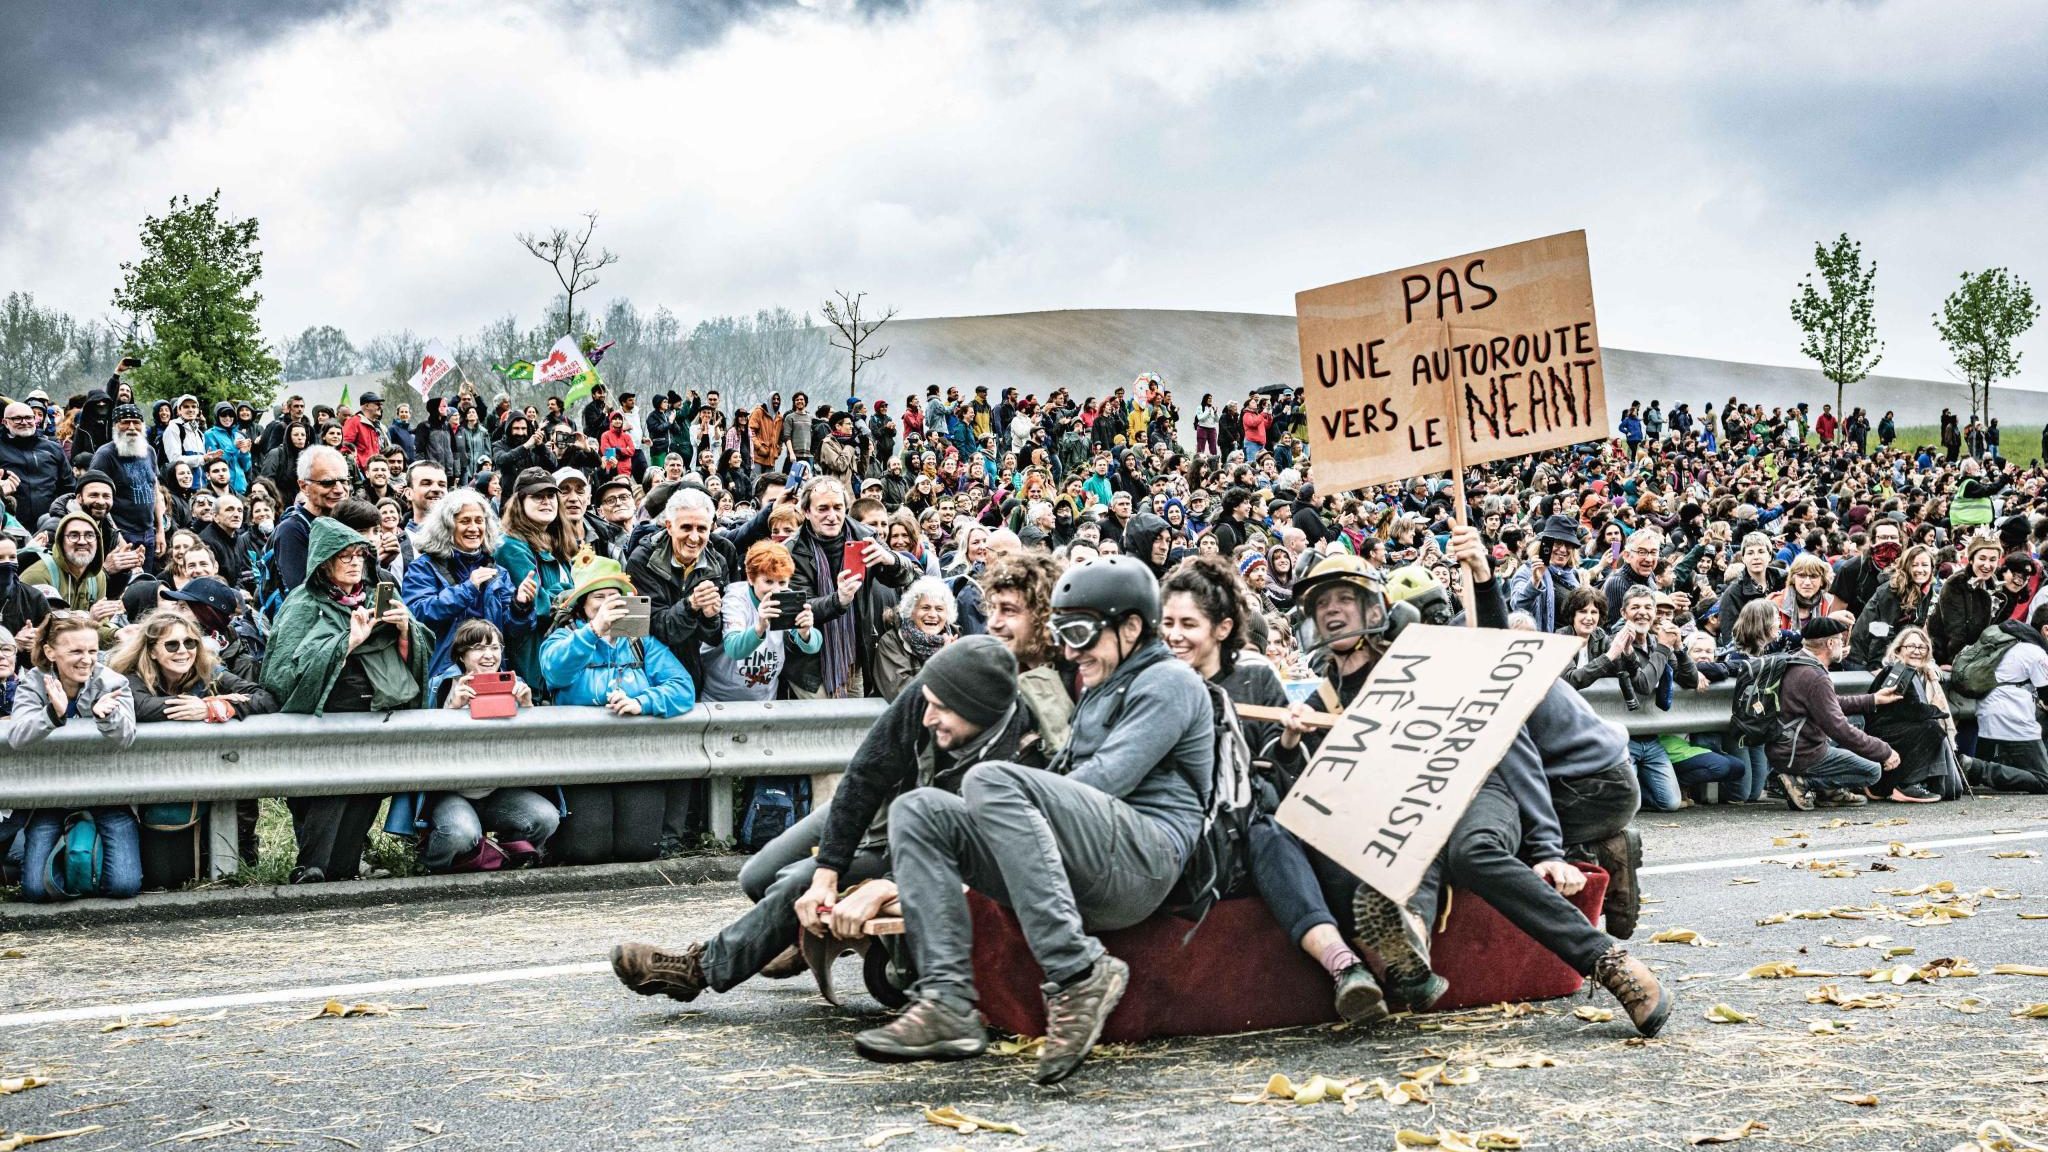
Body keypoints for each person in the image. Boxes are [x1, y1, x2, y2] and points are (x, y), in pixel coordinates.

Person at [852, 556, 1213, 1084]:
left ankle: (1077, 973)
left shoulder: (1170, 682)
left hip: (1145, 859)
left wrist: (1008, 803)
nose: (1069, 649)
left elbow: (1103, 782)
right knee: (920, 811)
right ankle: (947, 1002)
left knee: (988, 781)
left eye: (1081, 631)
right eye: (1061, 631)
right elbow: (1066, 785)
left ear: (1132, 627)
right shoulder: (1103, 683)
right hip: (1094, 855)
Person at [610, 635, 1055, 1007]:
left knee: (792, 884)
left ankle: (697, 970)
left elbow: (976, 854)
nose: (926, 717)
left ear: (976, 710)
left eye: (941, 709)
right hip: (884, 807)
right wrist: (829, 872)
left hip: (927, 846)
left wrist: (874, 883)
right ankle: (793, 933)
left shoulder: (1017, 756)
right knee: (758, 876)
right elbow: (864, 774)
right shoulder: (932, 693)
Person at [262, 517, 433, 881]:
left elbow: (420, 649)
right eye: (345, 557)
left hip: (376, 710)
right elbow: (283, 668)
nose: (355, 563)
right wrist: (347, 642)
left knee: (367, 790)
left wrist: (405, 628)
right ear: (325, 562)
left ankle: (344, 868)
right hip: (328, 715)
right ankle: (311, 868)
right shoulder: (303, 603)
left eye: (360, 555)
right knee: (329, 790)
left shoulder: (379, 594)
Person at [540, 556, 697, 865]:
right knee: (588, 850)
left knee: (640, 848)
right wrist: (594, 631)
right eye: (599, 597)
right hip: (581, 758)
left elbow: (682, 687)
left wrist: (643, 702)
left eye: (615, 597)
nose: (608, 603)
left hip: (634, 755)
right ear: (583, 604)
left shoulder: (640, 641)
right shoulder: (563, 636)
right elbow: (555, 672)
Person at [7, 612, 139, 901]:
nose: (87, 659)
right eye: (76, 651)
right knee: (36, 891)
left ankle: (85, 860)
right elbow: (17, 737)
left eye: (92, 651)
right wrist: (53, 714)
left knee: (124, 886)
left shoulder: (112, 682)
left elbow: (126, 736)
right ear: (50, 652)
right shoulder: (34, 682)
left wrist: (106, 718)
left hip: (106, 792)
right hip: (50, 794)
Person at [404, 487, 541, 697]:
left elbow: (513, 631)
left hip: (490, 673)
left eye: (479, 521)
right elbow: (417, 614)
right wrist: (467, 589)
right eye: (465, 521)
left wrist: (520, 605)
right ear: (447, 526)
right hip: (444, 676)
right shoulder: (424, 567)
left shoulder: (498, 572)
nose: (474, 528)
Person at [786, 477, 915, 699]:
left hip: (852, 658)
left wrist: (890, 559)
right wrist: (839, 600)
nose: (832, 516)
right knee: (824, 730)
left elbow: (908, 576)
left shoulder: (866, 536)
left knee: (850, 725)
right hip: (808, 665)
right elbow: (799, 608)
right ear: (807, 511)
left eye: (838, 508)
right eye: (823, 509)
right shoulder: (792, 549)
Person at [1768, 617, 1900, 811]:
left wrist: (1872, 699)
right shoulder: (1815, 677)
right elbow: (1838, 728)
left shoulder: (1796, 661)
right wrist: (1884, 751)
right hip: (1802, 753)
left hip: (1785, 746)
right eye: (1840, 640)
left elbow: (1829, 704)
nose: (1843, 645)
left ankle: (1829, 793)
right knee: (1872, 771)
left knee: (1856, 720)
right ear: (1830, 643)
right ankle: (1804, 783)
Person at [111, 608, 277, 723]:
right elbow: (141, 707)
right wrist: (205, 701)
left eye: (190, 643)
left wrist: (215, 707)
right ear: (152, 651)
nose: (183, 651)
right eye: (172, 645)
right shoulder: (131, 674)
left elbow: (267, 699)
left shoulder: (210, 673)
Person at [493, 468, 575, 693]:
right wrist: (571, 592)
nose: (546, 502)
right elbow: (540, 607)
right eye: (537, 496)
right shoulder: (510, 546)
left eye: (551, 496)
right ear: (519, 501)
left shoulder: (556, 544)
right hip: (531, 661)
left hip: (556, 652)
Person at [873, 576, 957, 700]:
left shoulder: (956, 639)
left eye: (939, 609)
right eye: (925, 608)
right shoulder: (891, 642)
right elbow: (904, 694)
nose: (933, 615)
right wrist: (942, 662)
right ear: (911, 611)